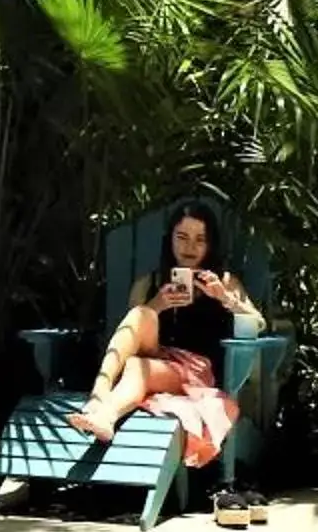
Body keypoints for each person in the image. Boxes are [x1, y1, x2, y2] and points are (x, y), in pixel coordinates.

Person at [69, 199, 268, 499]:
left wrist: (225, 299)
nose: (190, 247)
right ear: (170, 240)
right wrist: (158, 304)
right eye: (182, 237)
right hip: (156, 359)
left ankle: (104, 411)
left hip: (195, 374)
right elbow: (130, 332)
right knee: (141, 315)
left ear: (210, 245)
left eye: (200, 239)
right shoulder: (148, 282)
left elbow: (258, 323)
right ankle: (100, 396)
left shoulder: (225, 282)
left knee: (138, 367)